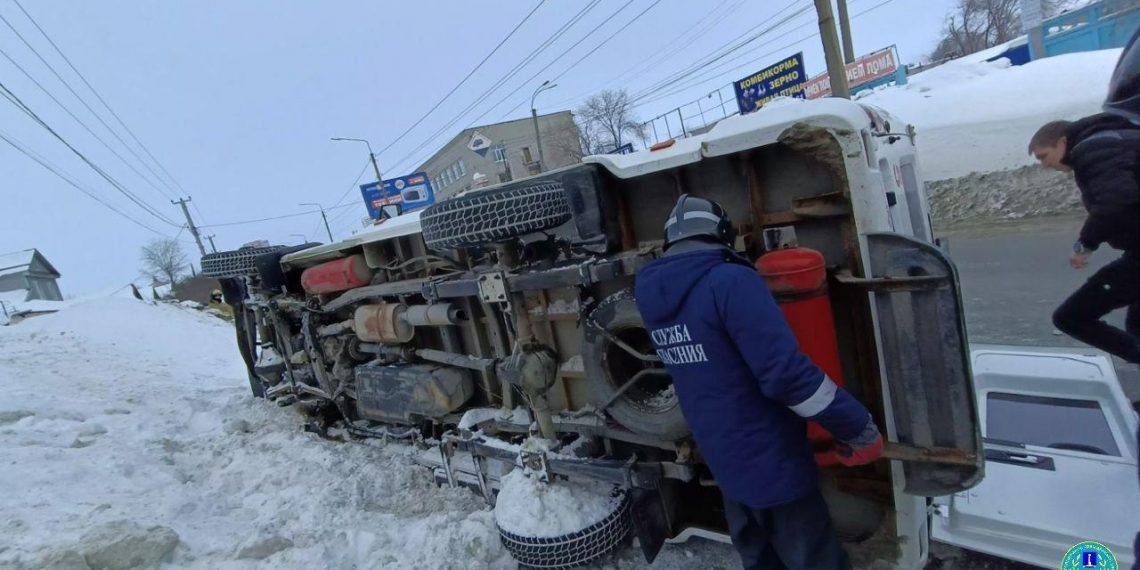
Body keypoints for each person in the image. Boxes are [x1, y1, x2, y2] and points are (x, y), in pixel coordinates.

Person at [634, 195, 883, 570]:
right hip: (775, 467)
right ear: (721, 233)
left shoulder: (650, 292)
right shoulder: (729, 281)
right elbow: (786, 376)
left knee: (761, 560)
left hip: (727, 467)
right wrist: (856, 426)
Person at [1028, 114, 1140, 364]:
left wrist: (1085, 245)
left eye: (1044, 156)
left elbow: (1117, 200)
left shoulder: (1093, 149)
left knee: (1071, 317)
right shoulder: (1112, 139)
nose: (1045, 165)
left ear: (1062, 142)